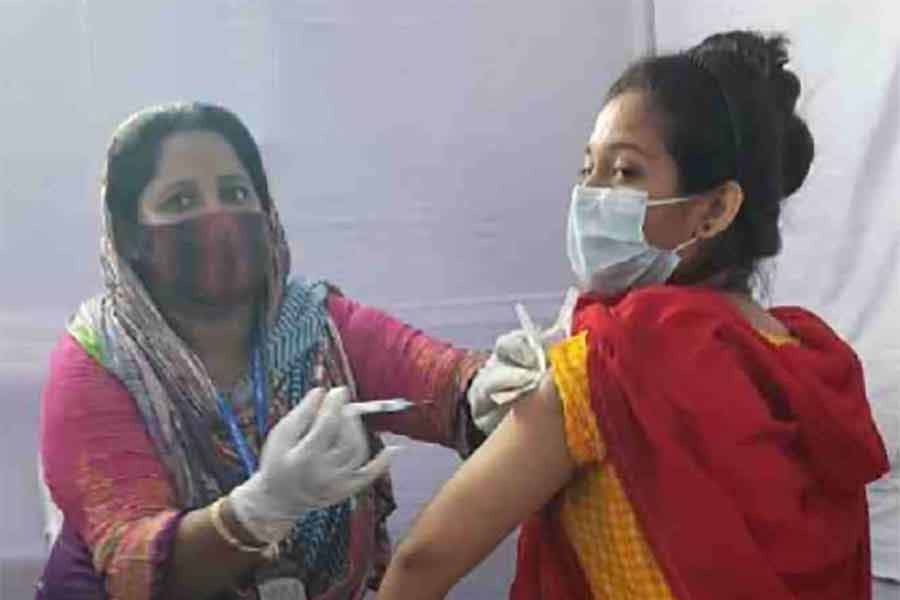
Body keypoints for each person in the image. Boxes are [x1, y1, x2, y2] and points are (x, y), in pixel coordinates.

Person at [375, 31, 890, 600]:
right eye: (587, 169)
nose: (589, 195)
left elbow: (422, 562)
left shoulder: (612, 364)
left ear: (716, 209)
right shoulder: (809, 365)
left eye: (624, 172)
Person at [36, 102, 514, 600]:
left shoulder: (315, 324)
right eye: (181, 201)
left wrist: (484, 389)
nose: (218, 217)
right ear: (131, 235)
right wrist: (259, 509)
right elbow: (132, 561)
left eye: (235, 193)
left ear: (267, 214)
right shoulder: (98, 359)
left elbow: (435, 378)